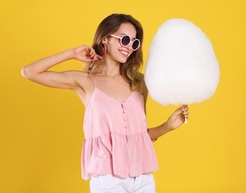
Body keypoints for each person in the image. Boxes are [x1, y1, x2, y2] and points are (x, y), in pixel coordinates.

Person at [21, 13, 189, 193]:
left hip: (143, 177)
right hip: (108, 179)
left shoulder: (139, 83)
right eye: (124, 39)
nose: (129, 47)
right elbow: (29, 72)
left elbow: (138, 135)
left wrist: (168, 126)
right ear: (105, 39)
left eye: (134, 42)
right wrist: (71, 54)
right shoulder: (85, 81)